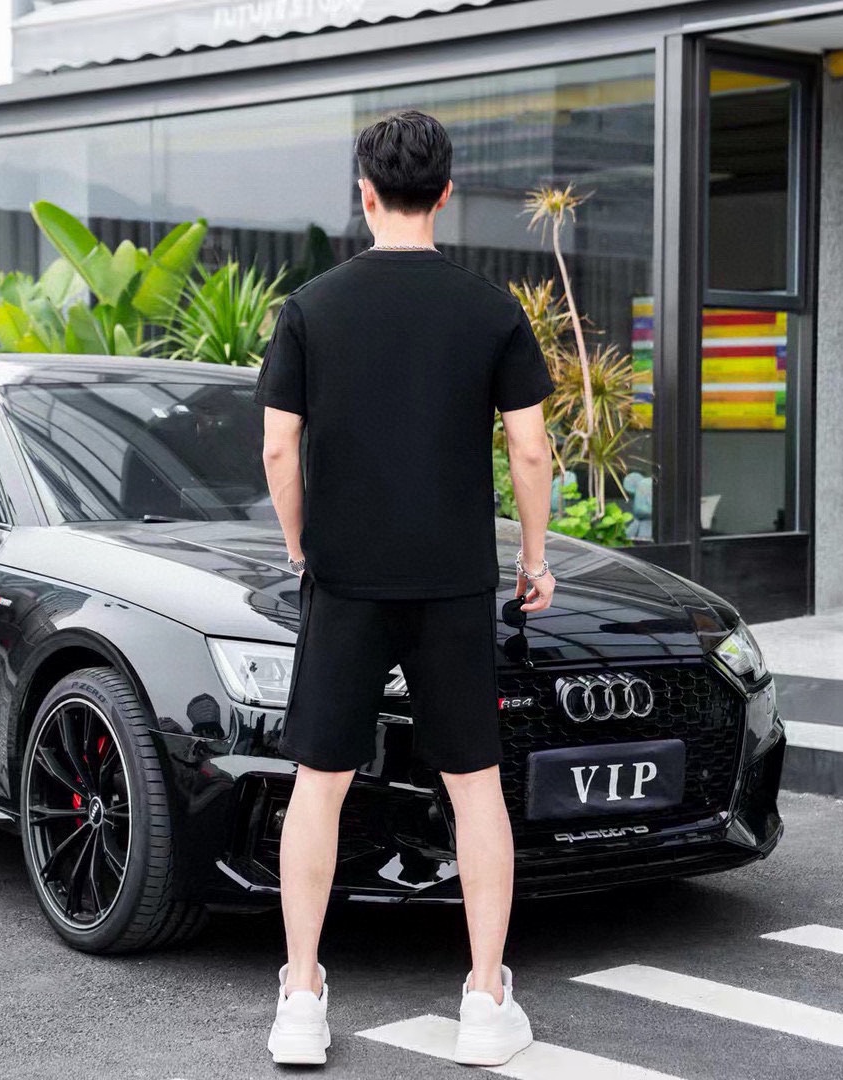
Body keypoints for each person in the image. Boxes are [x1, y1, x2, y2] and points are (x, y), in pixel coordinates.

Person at [254, 109, 556, 1068]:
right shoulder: (490, 310)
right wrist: (534, 560)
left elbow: (278, 447)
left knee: (320, 784)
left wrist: (300, 545)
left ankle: (302, 998)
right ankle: (484, 1000)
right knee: (476, 789)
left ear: (365, 194)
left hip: (346, 579)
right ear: (447, 194)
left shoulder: (312, 308)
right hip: (453, 583)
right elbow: (531, 448)